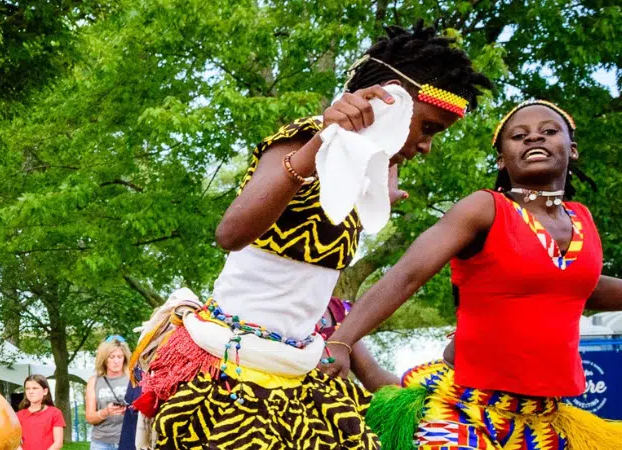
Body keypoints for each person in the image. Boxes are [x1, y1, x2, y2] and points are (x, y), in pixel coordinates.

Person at [130, 25, 492, 450]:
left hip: (300, 367)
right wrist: (318, 144)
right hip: (232, 369)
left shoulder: (370, 162)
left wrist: (384, 186)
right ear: (391, 100)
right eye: (428, 128)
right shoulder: (308, 136)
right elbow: (230, 233)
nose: (428, 146)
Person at [327, 100, 622, 450]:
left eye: (548, 131)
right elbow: (407, 274)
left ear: (571, 150)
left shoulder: (582, 219)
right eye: (519, 136)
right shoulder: (484, 209)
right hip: (464, 408)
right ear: (501, 159)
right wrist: (341, 341)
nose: (533, 139)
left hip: (543, 418)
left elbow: (580, 286)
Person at [84, 337, 130, 450]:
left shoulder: (132, 378)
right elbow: (90, 418)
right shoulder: (94, 381)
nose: (116, 361)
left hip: (127, 439)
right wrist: (106, 412)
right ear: (104, 359)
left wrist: (129, 410)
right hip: (101, 443)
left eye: (120, 357)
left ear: (124, 358)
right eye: (112, 357)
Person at [16, 375, 65, 450]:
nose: (31, 392)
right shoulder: (19, 415)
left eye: (35, 388)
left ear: (45, 391)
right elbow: (15, 442)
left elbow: (58, 443)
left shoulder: (55, 413)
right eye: (27, 389)